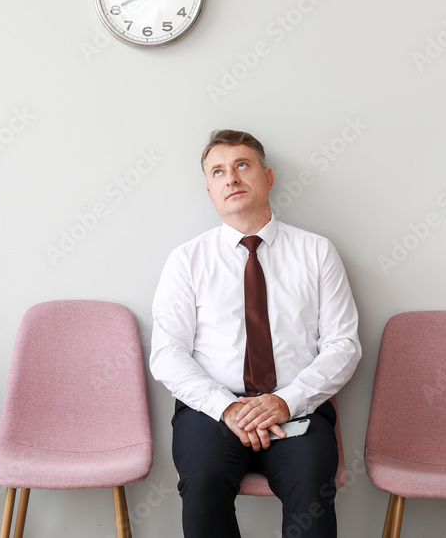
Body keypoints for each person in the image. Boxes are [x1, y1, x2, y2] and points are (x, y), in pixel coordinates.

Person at [150, 129, 362, 538]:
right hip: (210, 412)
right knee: (203, 482)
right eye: (218, 172)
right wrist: (227, 407)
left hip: (297, 408)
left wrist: (286, 401)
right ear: (210, 191)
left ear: (267, 177)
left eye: (241, 165)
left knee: (311, 488)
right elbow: (168, 353)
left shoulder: (317, 252)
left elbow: (343, 346)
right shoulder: (186, 260)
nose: (230, 178)